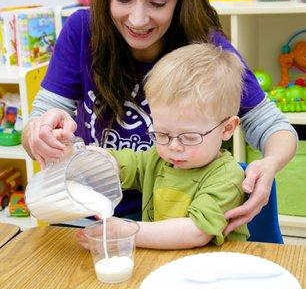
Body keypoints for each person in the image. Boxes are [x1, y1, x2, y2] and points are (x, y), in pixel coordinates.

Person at [22, 0, 297, 234]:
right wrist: (42, 133)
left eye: (157, 3)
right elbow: (39, 122)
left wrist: (270, 163)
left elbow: (272, 126)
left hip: (172, 219)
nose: (138, 20)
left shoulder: (205, 49)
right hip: (85, 212)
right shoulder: (82, 30)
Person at [78, 43, 249, 249]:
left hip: (215, 269)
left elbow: (196, 232)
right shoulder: (158, 158)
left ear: (227, 128)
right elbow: (117, 163)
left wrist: (126, 232)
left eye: (190, 137)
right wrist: (84, 155)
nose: (174, 146)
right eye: (162, 134)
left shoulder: (226, 176)